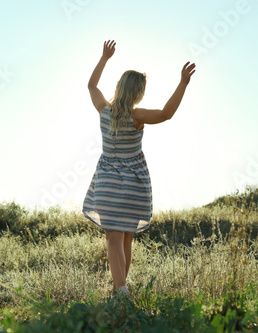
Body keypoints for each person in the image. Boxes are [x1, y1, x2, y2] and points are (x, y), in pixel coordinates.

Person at [82, 40, 196, 296]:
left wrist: (104, 58)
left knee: (113, 238)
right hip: (135, 183)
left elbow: (91, 86)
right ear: (138, 93)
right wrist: (183, 84)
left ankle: (119, 292)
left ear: (120, 87)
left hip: (108, 182)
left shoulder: (104, 110)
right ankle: (119, 291)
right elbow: (167, 113)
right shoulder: (138, 116)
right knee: (125, 240)